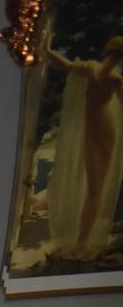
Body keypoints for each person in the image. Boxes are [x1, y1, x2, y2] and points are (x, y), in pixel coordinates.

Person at [44, 33, 123, 259]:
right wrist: (47, 50)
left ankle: (82, 241)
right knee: (90, 187)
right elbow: (66, 66)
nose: (114, 61)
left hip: (106, 133)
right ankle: (80, 239)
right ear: (108, 54)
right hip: (91, 132)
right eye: (114, 56)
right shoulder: (89, 69)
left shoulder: (115, 80)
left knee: (95, 190)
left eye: (118, 58)